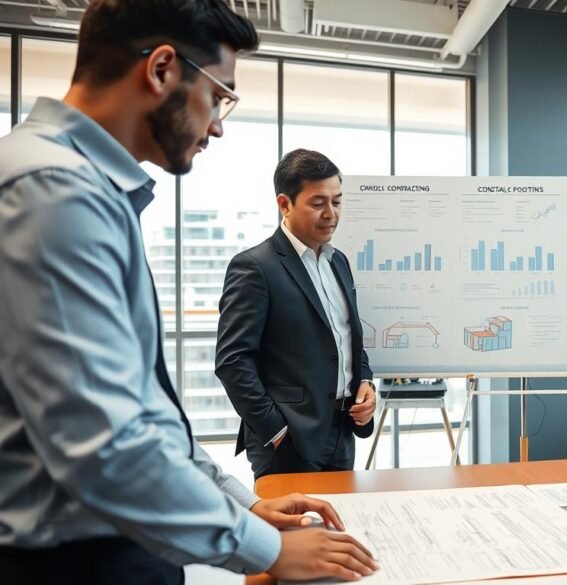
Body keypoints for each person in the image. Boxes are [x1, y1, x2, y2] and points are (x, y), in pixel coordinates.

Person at [0, 1, 377, 583]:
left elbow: (146, 413)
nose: (218, 125)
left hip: (114, 541)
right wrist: (266, 548)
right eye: (218, 96)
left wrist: (241, 505)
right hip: (77, 562)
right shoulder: (54, 193)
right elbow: (103, 443)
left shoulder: (83, 189)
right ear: (161, 70)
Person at [216, 148, 377, 479]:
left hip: (342, 431)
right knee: (293, 517)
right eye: (318, 203)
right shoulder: (254, 267)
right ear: (284, 204)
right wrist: (276, 431)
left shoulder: (338, 262)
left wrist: (366, 383)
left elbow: (348, 339)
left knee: (337, 514)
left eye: (337, 201)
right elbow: (233, 361)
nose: (331, 213)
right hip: (289, 439)